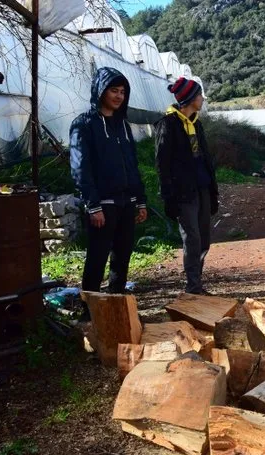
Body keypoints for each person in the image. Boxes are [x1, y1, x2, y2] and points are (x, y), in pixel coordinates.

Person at [70, 67, 148, 297]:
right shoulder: (84, 124)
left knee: (122, 256)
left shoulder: (122, 125)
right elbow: (80, 167)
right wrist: (93, 205)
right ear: (100, 90)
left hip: (126, 201)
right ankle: (90, 309)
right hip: (103, 204)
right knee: (97, 256)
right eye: (113, 90)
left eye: (122, 92)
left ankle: (116, 305)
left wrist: (141, 201)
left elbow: (132, 165)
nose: (118, 96)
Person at [155, 77, 218, 294]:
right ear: (191, 98)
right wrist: (168, 197)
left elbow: (204, 158)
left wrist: (212, 190)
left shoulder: (196, 124)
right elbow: (162, 164)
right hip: (184, 193)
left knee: (203, 239)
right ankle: (193, 287)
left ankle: (196, 283)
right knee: (191, 238)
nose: (202, 99)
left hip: (201, 188)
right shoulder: (168, 125)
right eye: (200, 95)